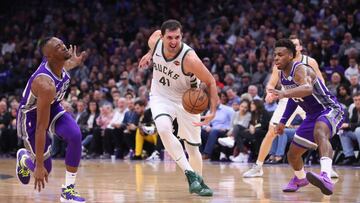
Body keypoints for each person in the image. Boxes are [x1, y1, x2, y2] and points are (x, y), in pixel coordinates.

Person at [139, 19, 219, 196]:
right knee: (164, 129)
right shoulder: (154, 40)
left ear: (181, 36)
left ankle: (200, 180)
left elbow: (211, 81)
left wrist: (213, 111)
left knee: (192, 147)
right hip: (161, 96)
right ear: (162, 37)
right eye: (169, 38)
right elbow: (152, 44)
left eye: (177, 37)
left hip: (186, 101)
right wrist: (150, 53)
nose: (174, 41)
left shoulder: (189, 59)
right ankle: (190, 174)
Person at [243, 35, 338, 178]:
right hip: (290, 99)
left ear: (298, 48)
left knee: (322, 130)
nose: (277, 56)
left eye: (295, 44)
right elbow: (271, 83)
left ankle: (327, 168)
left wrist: (325, 97)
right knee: (272, 131)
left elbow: (320, 81)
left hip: (310, 100)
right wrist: (270, 93)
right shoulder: (281, 66)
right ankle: (258, 166)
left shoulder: (308, 62)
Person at [15, 37, 87, 202]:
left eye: (62, 43)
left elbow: (64, 65)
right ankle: (24, 159)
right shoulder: (45, 84)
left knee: (75, 135)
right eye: (58, 47)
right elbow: (42, 127)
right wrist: (38, 165)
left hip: (52, 106)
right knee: (45, 168)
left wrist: (74, 63)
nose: (63, 46)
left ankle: (68, 191)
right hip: (31, 116)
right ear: (49, 57)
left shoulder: (59, 64)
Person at [269, 39, 344, 195]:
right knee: (293, 154)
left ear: (290, 55)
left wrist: (284, 93)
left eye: (280, 54)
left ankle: (326, 176)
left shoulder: (302, 69)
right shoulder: (283, 75)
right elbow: (293, 99)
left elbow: (307, 89)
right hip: (311, 115)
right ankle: (300, 178)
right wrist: (283, 121)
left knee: (320, 131)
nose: (276, 58)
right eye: (275, 54)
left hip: (329, 109)